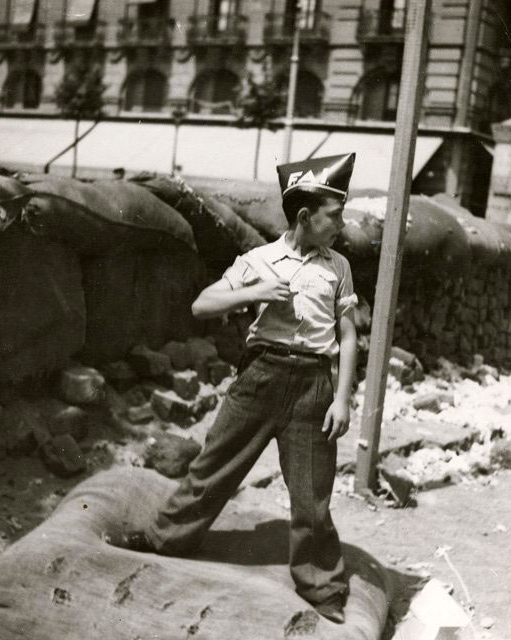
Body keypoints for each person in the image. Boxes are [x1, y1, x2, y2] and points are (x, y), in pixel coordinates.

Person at [118, 153, 358, 624]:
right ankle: (167, 539)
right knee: (213, 468)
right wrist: (255, 293)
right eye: (334, 216)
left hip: (313, 385)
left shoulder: (339, 266)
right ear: (305, 217)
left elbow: (348, 335)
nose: (341, 225)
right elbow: (202, 305)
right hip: (260, 376)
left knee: (312, 494)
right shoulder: (259, 260)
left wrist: (344, 398)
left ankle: (323, 587)